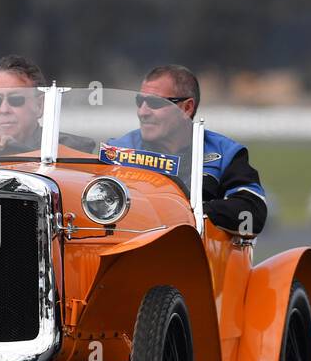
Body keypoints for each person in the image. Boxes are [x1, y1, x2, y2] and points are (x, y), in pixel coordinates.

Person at [109, 65, 268, 235]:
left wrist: (189, 213)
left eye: (155, 103)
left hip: (202, 257)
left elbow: (252, 213)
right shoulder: (118, 150)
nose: (142, 112)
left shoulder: (225, 152)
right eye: (139, 102)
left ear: (187, 108)